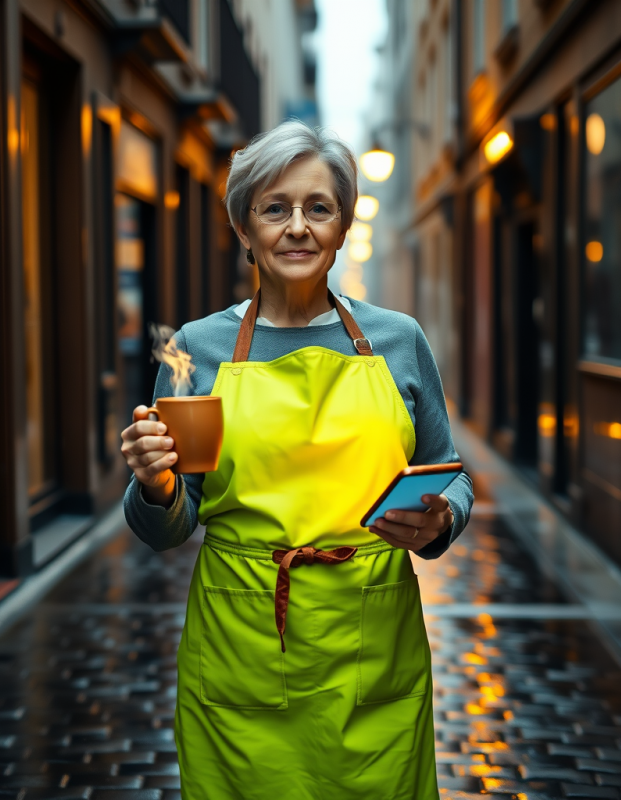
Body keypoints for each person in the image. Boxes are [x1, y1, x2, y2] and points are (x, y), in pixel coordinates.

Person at [121, 120, 474, 800]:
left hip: (374, 646)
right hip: (240, 647)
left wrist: (439, 521)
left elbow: (449, 472)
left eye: (319, 208)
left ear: (343, 227)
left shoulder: (399, 340)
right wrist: (156, 484)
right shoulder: (195, 350)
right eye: (275, 208)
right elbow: (169, 526)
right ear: (244, 227)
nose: (298, 228)